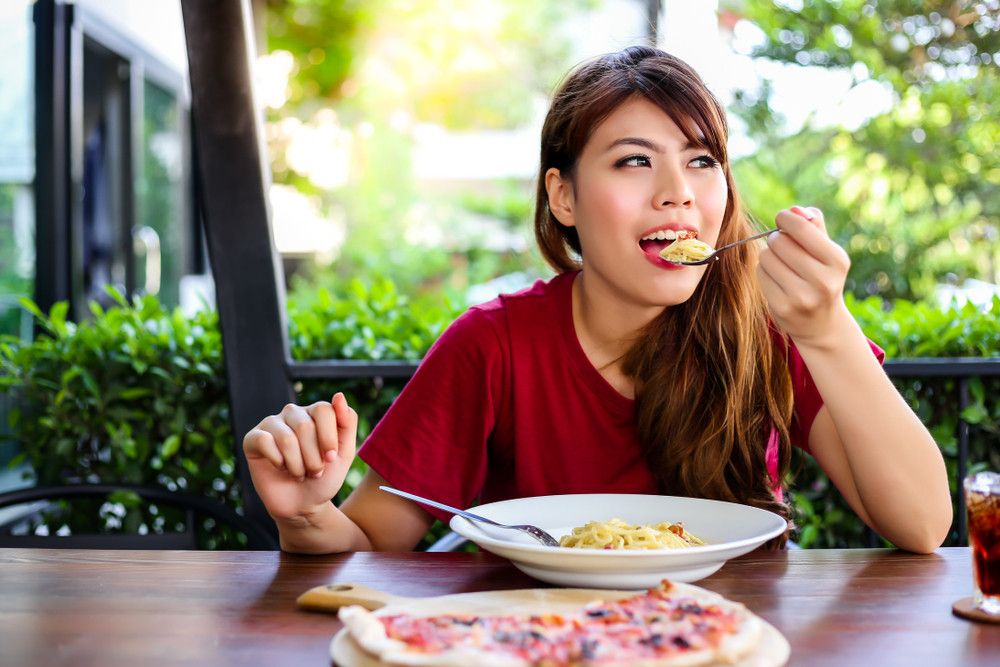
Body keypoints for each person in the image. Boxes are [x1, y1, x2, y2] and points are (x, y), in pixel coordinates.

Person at [243, 45, 952, 555]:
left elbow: (923, 525)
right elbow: (369, 541)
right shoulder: (493, 344)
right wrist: (306, 513)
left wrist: (828, 330)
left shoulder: (770, 324)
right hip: (535, 638)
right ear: (564, 196)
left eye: (702, 160)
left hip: (733, 640)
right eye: (635, 160)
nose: (677, 189)